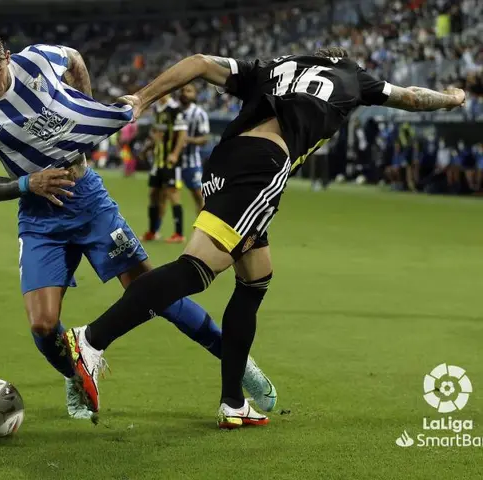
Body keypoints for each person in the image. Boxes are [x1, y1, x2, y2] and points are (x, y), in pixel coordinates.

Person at [62, 48, 466, 429]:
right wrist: (451, 98)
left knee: (256, 277)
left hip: (226, 160)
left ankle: (233, 402)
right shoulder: (355, 77)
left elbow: (200, 63)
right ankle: (92, 338)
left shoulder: (273, 67)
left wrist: (143, 97)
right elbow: (412, 98)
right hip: (265, 164)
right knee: (197, 270)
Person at [0, 28, 275, 421]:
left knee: (156, 293)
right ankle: (76, 375)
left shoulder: (36, 60)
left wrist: (84, 112)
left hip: (89, 202)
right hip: (39, 218)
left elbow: (73, 58)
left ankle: (237, 361)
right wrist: (26, 183)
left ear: (6, 57)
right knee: (42, 324)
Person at [141, 95, 187, 243]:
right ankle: (152, 231)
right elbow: (156, 133)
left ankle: (179, 233)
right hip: (158, 161)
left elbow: (182, 133)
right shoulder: (156, 109)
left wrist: (175, 154)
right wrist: (148, 148)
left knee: (172, 195)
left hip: (170, 162)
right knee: (153, 194)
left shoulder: (175, 109)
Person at [179, 83, 210, 214]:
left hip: (191, 162)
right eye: (183, 90)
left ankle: (202, 230)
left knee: (199, 196)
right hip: (172, 163)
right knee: (165, 194)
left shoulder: (199, 113)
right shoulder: (175, 111)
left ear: (195, 95)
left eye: (189, 91)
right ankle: (160, 231)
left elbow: (204, 139)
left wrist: (186, 139)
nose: (185, 93)